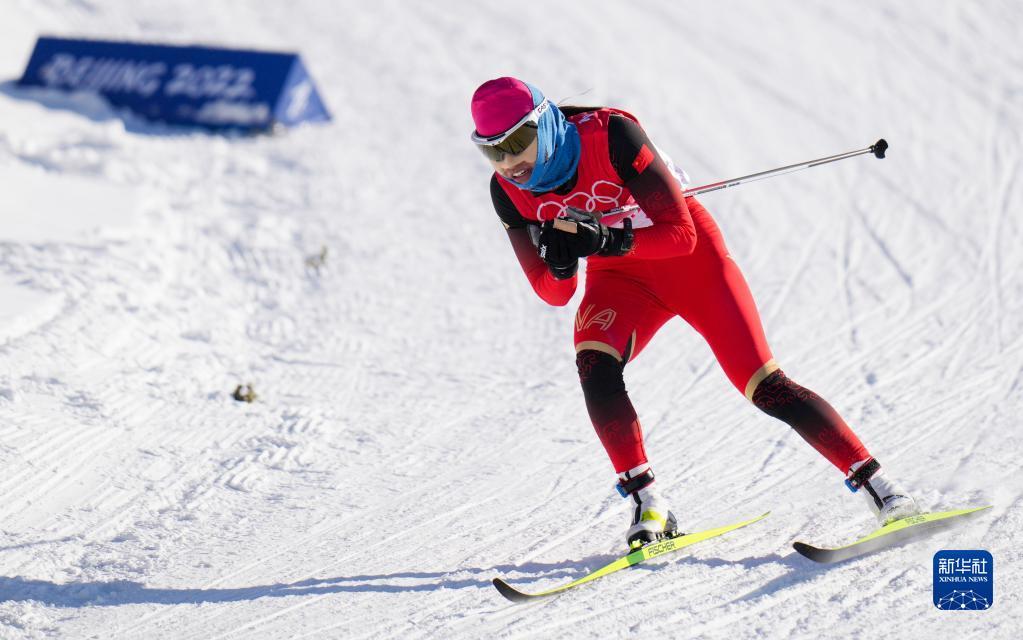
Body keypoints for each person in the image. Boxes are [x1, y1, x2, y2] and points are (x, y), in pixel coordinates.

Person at [470, 77, 919, 550]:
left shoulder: (612, 137)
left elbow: (680, 234)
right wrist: (562, 263)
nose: (508, 162)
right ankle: (649, 504)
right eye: (491, 152)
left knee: (764, 385)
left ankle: (885, 492)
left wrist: (606, 239)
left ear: (547, 123)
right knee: (594, 367)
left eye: (517, 142)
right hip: (621, 280)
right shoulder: (508, 192)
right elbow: (555, 294)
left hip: (690, 262)